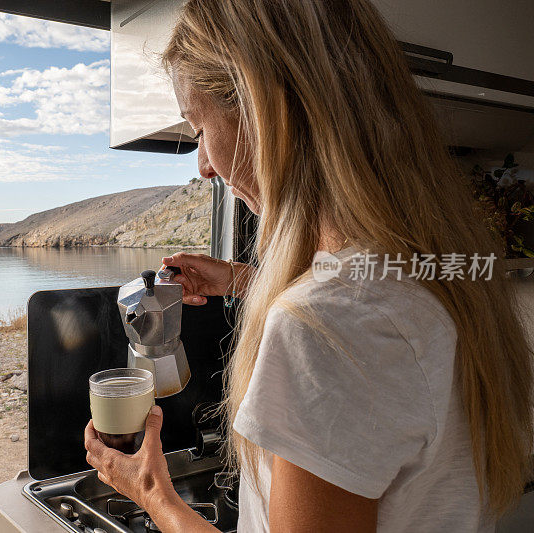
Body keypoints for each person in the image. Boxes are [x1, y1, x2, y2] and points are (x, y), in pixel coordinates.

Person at [85, 1, 533, 531]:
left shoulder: (321, 327)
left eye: (199, 128)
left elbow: (339, 325)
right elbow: (369, 305)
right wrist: (241, 280)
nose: (203, 165)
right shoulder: (442, 268)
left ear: (263, 111)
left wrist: (154, 494)